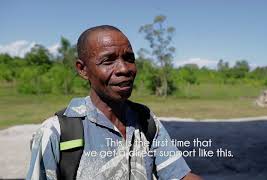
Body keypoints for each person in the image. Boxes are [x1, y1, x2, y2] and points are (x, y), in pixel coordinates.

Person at [26, 25, 202, 180]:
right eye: (108, 61)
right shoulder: (56, 132)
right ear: (83, 69)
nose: (124, 69)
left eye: (129, 58)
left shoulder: (146, 120)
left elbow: (178, 175)